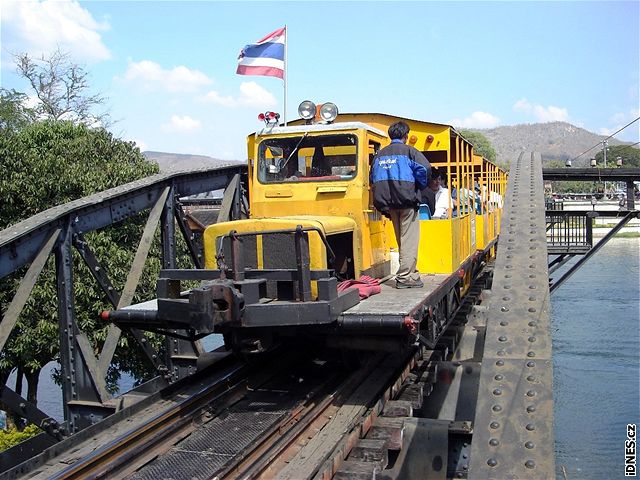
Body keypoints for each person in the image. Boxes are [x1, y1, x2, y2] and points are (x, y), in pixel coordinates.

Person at [371, 121, 430, 289]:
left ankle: (412, 273)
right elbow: (424, 169)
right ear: (405, 136)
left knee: (401, 240)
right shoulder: (410, 152)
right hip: (407, 201)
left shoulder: (379, 155)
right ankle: (405, 277)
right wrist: (419, 185)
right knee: (409, 240)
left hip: (389, 203)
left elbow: (372, 177)